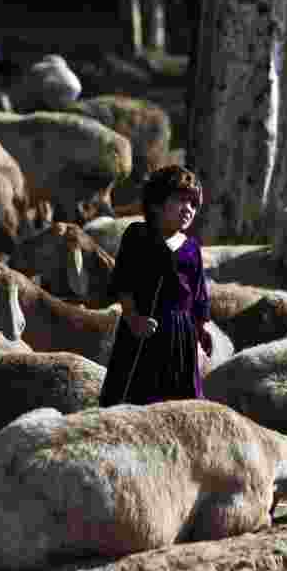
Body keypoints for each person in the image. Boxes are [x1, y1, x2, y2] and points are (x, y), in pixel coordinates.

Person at [98, 165, 212, 407]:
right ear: (157, 203)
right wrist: (133, 318)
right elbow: (124, 283)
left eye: (193, 204)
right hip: (143, 330)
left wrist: (202, 329)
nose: (188, 209)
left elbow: (199, 294)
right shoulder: (137, 235)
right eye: (181, 200)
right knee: (131, 396)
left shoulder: (191, 247)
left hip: (181, 334)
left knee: (180, 402)